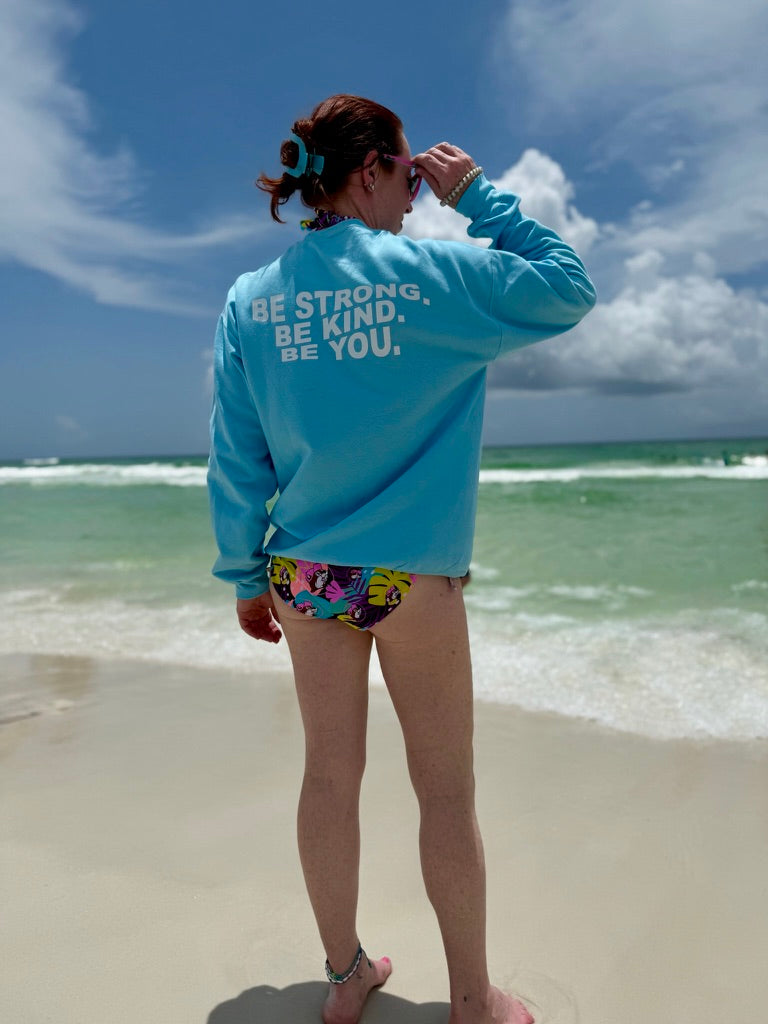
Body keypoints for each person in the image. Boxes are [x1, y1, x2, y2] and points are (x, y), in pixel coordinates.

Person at [208, 94, 596, 1024]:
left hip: (302, 574)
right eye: (413, 175)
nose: (418, 197)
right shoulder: (434, 275)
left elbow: (236, 452)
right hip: (408, 578)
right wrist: (480, 200)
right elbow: (565, 287)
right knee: (446, 789)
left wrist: (241, 574)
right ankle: (471, 999)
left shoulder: (252, 299)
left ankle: (345, 978)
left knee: (328, 779)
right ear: (377, 166)